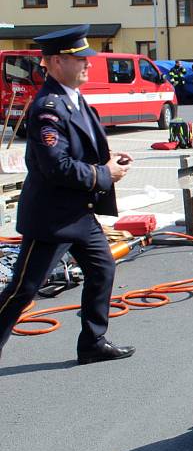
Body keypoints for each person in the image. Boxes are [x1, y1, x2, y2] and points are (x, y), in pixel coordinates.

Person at [0, 25, 135, 363]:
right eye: (80, 59)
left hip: (79, 212)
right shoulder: (48, 106)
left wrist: (108, 158)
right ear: (57, 62)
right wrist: (105, 174)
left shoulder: (75, 99)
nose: (88, 64)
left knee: (102, 269)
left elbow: (79, 148)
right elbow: (56, 166)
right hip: (51, 217)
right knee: (23, 290)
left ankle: (92, 342)